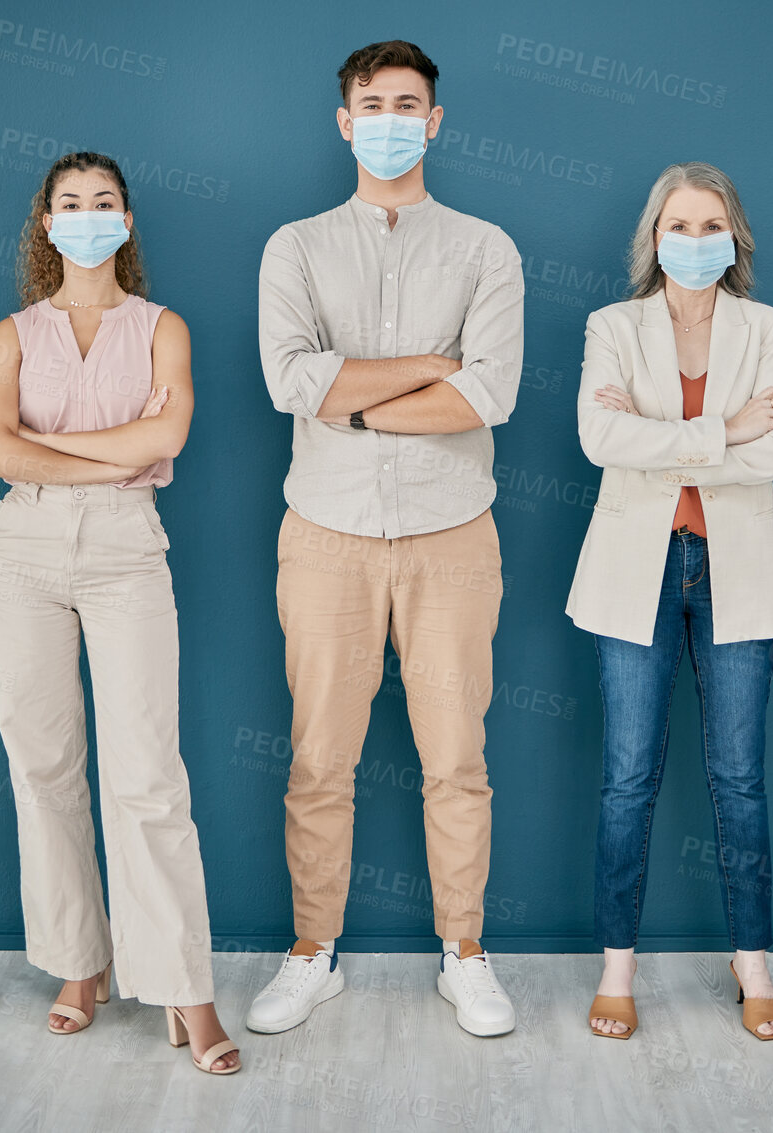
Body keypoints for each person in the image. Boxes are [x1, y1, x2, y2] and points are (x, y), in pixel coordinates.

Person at [250, 40, 525, 1038]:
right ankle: (311, 951)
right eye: (372, 103)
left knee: (457, 756)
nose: (391, 117)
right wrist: (423, 369)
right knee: (320, 757)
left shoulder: (486, 247)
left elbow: (487, 391)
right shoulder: (296, 245)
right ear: (343, 119)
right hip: (324, 535)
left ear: (436, 119)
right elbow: (290, 380)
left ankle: (465, 953)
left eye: (408, 103)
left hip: (454, 531)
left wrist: (353, 396)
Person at [0, 151, 238, 1075]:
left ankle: (184, 989)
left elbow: (167, 438)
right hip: (25, 555)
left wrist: (45, 444)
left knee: (147, 776)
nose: (87, 215)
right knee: (43, 764)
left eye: (104, 202)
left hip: (129, 548)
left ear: (126, 219)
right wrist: (104, 452)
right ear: (45, 223)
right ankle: (77, 965)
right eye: (70, 203)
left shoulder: (165, 328)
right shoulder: (13, 333)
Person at [566, 162, 773, 1042]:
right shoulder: (611, 325)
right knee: (627, 778)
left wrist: (662, 440)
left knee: (738, 778)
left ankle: (753, 968)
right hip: (635, 568)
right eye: (678, 224)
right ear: (652, 236)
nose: (694, 241)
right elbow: (599, 437)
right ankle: (616, 970)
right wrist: (723, 429)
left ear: (733, 237)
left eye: (711, 226)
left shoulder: (768, 327)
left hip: (737, 568)